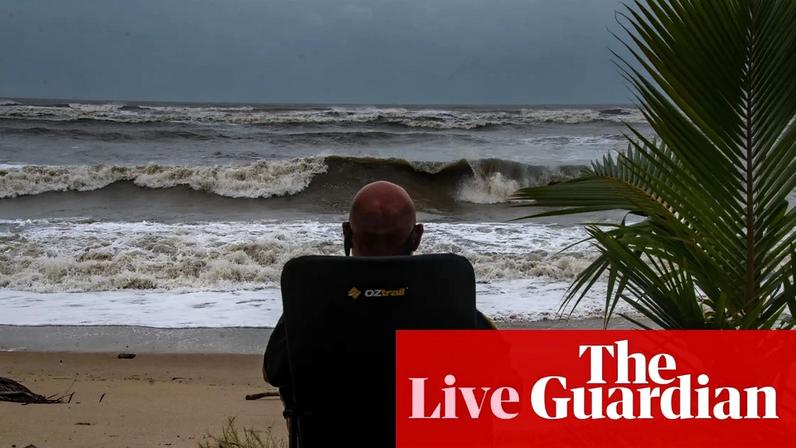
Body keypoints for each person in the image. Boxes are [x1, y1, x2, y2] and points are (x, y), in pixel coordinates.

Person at [263, 181, 493, 406]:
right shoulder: (445, 305)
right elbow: (502, 369)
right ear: (417, 236)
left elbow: (274, 371)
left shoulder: (315, 302)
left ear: (346, 232)